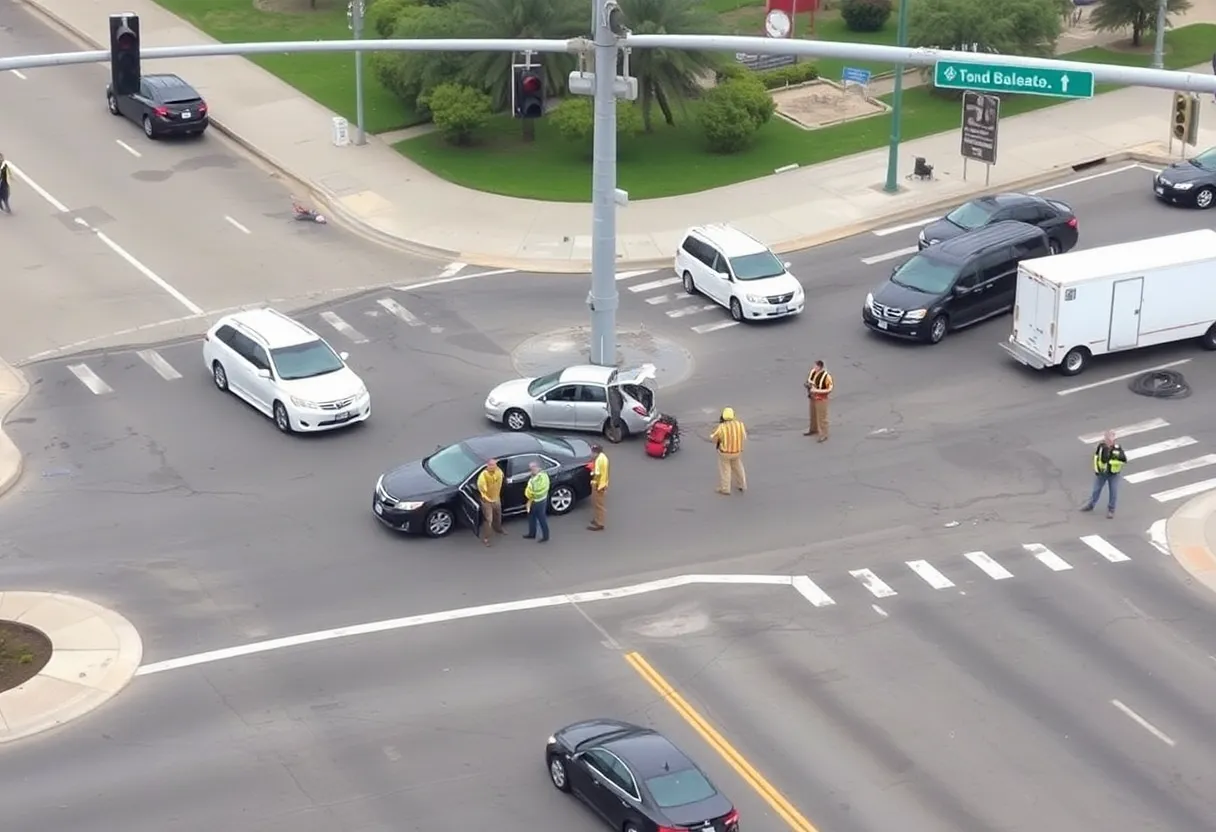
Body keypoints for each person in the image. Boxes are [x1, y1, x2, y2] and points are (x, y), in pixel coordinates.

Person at [1082, 430, 1126, 519]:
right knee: (1096, 490)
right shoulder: (1101, 447)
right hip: (1102, 473)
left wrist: (1112, 461)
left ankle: (1111, 510)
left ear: (1114, 440)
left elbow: (1123, 460)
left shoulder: (1117, 449)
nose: (1108, 441)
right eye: (1107, 439)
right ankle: (1091, 505)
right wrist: (1096, 469)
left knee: (1113, 492)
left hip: (1113, 474)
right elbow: (1096, 458)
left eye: (1110, 440)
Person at [710, 407, 747, 495]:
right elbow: (744, 436)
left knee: (725, 470)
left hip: (725, 453)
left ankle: (725, 489)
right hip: (737, 451)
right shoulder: (740, 425)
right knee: (738, 467)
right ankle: (742, 484)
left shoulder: (721, 427)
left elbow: (714, 438)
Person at [476, 458, 505, 546]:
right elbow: (482, 490)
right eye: (491, 465)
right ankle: (486, 538)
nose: (493, 466)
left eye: (494, 465)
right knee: (489, 520)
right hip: (487, 501)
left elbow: (502, 477)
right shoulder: (483, 477)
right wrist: (486, 498)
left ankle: (498, 528)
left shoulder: (499, 471)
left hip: (496, 498)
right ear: (487, 465)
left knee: (498, 515)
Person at [804, 360, 833, 442]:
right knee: (813, 415)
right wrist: (808, 386)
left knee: (822, 417)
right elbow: (810, 381)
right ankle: (813, 429)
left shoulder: (827, 377)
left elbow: (829, 389)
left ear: (820, 367)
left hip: (821, 399)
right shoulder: (813, 372)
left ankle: (824, 434)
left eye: (816, 366)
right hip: (812, 397)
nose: (814, 367)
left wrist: (817, 391)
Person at [522, 460, 551, 542]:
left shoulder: (542, 477)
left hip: (539, 501)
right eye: (531, 468)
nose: (532, 469)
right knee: (531, 517)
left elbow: (540, 489)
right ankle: (532, 533)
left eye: (534, 467)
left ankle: (545, 536)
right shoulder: (534, 476)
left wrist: (531, 493)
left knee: (541, 518)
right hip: (532, 500)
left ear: (539, 467)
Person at [588, 443, 609, 531]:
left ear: (596, 452)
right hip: (603, 483)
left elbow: (597, 474)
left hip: (599, 485)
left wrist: (591, 473)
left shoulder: (599, 461)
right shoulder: (603, 457)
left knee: (598, 504)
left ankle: (599, 523)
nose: (591, 454)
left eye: (592, 452)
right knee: (597, 503)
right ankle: (597, 519)